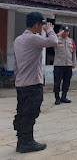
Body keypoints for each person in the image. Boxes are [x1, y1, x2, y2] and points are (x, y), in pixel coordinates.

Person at [13, 12, 58, 153]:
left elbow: (15, 64)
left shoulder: (18, 40)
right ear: (37, 25)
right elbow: (54, 42)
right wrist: (50, 30)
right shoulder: (32, 39)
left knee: (22, 113)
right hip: (32, 84)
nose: (42, 28)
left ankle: (21, 141)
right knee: (30, 113)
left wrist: (19, 77)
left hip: (21, 83)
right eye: (42, 25)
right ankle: (27, 142)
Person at [53, 26, 77, 105]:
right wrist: (58, 34)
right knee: (57, 82)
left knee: (66, 82)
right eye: (64, 31)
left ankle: (64, 96)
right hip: (59, 65)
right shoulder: (56, 39)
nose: (66, 33)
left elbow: (74, 52)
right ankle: (57, 98)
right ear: (60, 31)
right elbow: (50, 41)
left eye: (67, 31)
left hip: (68, 64)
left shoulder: (71, 41)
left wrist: (74, 62)